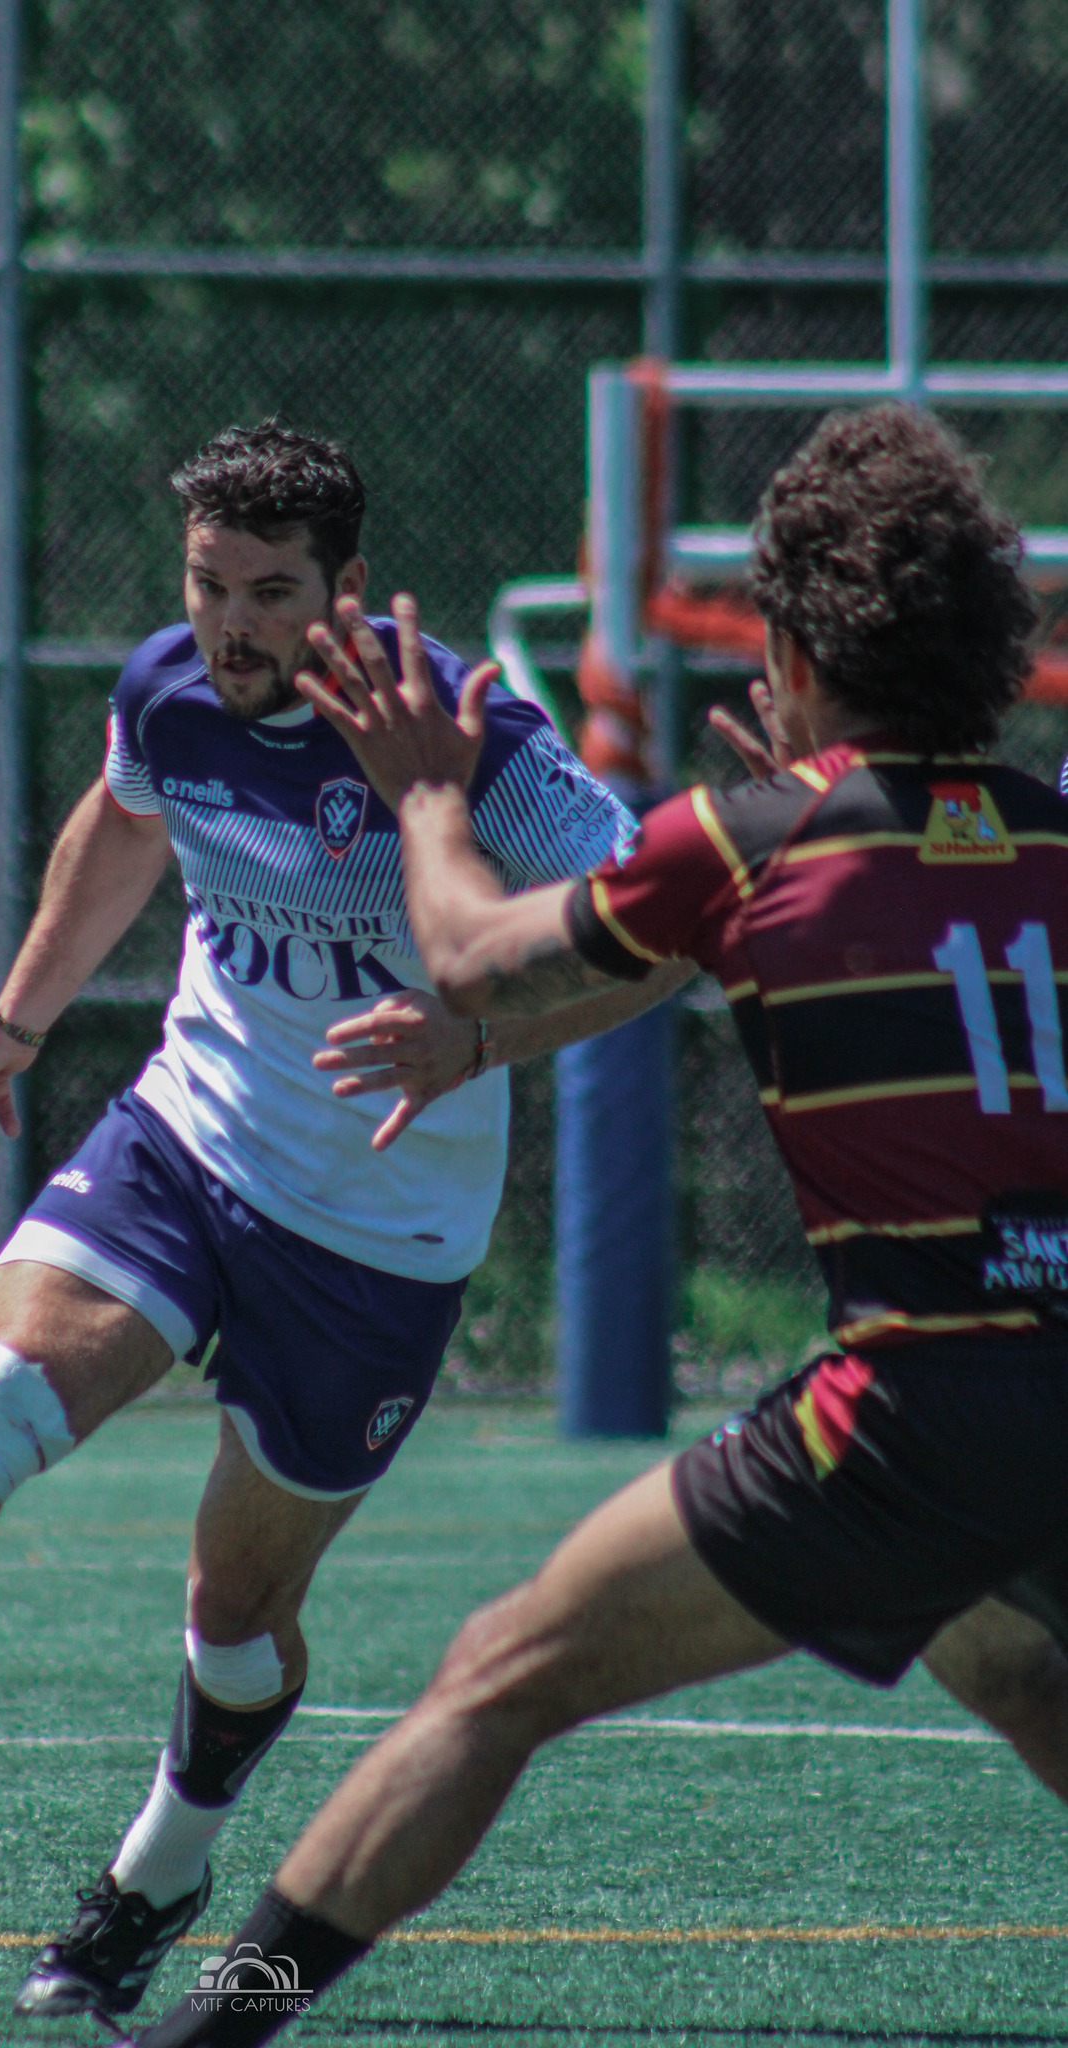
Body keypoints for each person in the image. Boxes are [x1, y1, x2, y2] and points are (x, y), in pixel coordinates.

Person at [0, 419, 681, 2021]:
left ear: (347, 591)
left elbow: (660, 931)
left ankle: (161, 1868)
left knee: (238, 1612)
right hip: (186, 1134)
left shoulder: (472, 738)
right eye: (208, 582)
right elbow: (123, 816)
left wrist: (482, 1034)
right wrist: (16, 1022)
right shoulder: (169, 684)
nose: (231, 625)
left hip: (377, 1230)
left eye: (271, 592)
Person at [123, 404, 1068, 2048]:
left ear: (785, 643)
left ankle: (221, 2020)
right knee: (1008, 1662)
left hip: (907, 1411)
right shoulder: (1052, 835)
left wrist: (424, 795)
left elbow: (479, 962)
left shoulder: (747, 839)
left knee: (495, 1679)